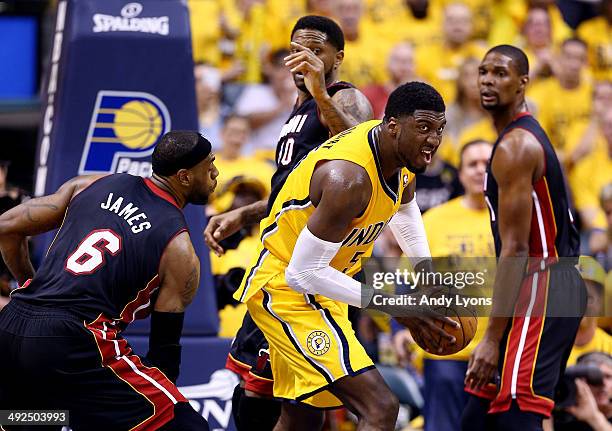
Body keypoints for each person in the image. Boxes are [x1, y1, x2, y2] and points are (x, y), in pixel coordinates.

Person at [231, 81, 456, 430]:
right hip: (286, 291)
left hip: (325, 287)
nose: (433, 140)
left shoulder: (402, 157)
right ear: (393, 125)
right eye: (423, 128)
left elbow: (406, 209)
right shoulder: (348, 179)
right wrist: (399, 306)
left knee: (304, 418)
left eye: (439, 129)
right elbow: (301, 274)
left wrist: (426, 275)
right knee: (380, 407)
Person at [204, 15, 374, 431]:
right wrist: (244, 213)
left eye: (317, 50)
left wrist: (320, 92)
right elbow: (293, 191)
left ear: (339, 57)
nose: (307, 58)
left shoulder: (345, 97)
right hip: (277, 263)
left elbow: (366, 153)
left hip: (312, 272)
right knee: (255, 396)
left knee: (291, 404)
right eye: (299, 49)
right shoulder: (297, 110)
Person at [0, 131, 217, 430]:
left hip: (11, 325)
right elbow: (164, 357)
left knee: (39, 420)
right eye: (209, 165)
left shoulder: (90, 183)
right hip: (75, 338)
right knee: (183, 426)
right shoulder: (179, 248)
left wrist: (32, 286)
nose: (216, 173)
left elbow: (6, 228)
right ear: (184, 177)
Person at [463, 45, 586, 430]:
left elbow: (515, 250)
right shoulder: (514, 138)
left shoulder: (516, 146)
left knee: (519, 415)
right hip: (542, 284)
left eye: (500, 73)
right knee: (476, 417)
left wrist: (491, 339)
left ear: (523, 83)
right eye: (483, 71)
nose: (487, 80)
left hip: (542, 284)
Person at [393, 139, 494, 431]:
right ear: (460, 174)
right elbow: (403, 279)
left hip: (498, 349)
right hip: (445, 346)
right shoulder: (434, 220)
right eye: (472, 164)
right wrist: (402, 329)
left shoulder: (510, 220)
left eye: (487, 164)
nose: (479, 170)